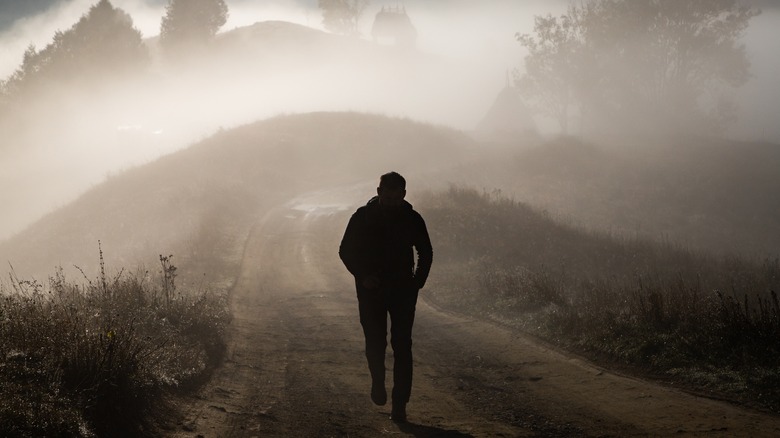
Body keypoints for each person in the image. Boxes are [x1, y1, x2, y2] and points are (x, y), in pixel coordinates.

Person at [339, 171, 433, 423]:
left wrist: (416, 283)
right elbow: (345, 250)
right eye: (387, 197)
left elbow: (426, 252)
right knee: (375, 343)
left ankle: (399, 405)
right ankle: (378, 383)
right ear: (379, 192)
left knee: (402, 346)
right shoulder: (361, 217)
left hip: (403, 291)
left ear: (404, 194)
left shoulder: (413, 219)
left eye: (396, 197)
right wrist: (363, 276)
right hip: (371, 291)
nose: (391, 202)